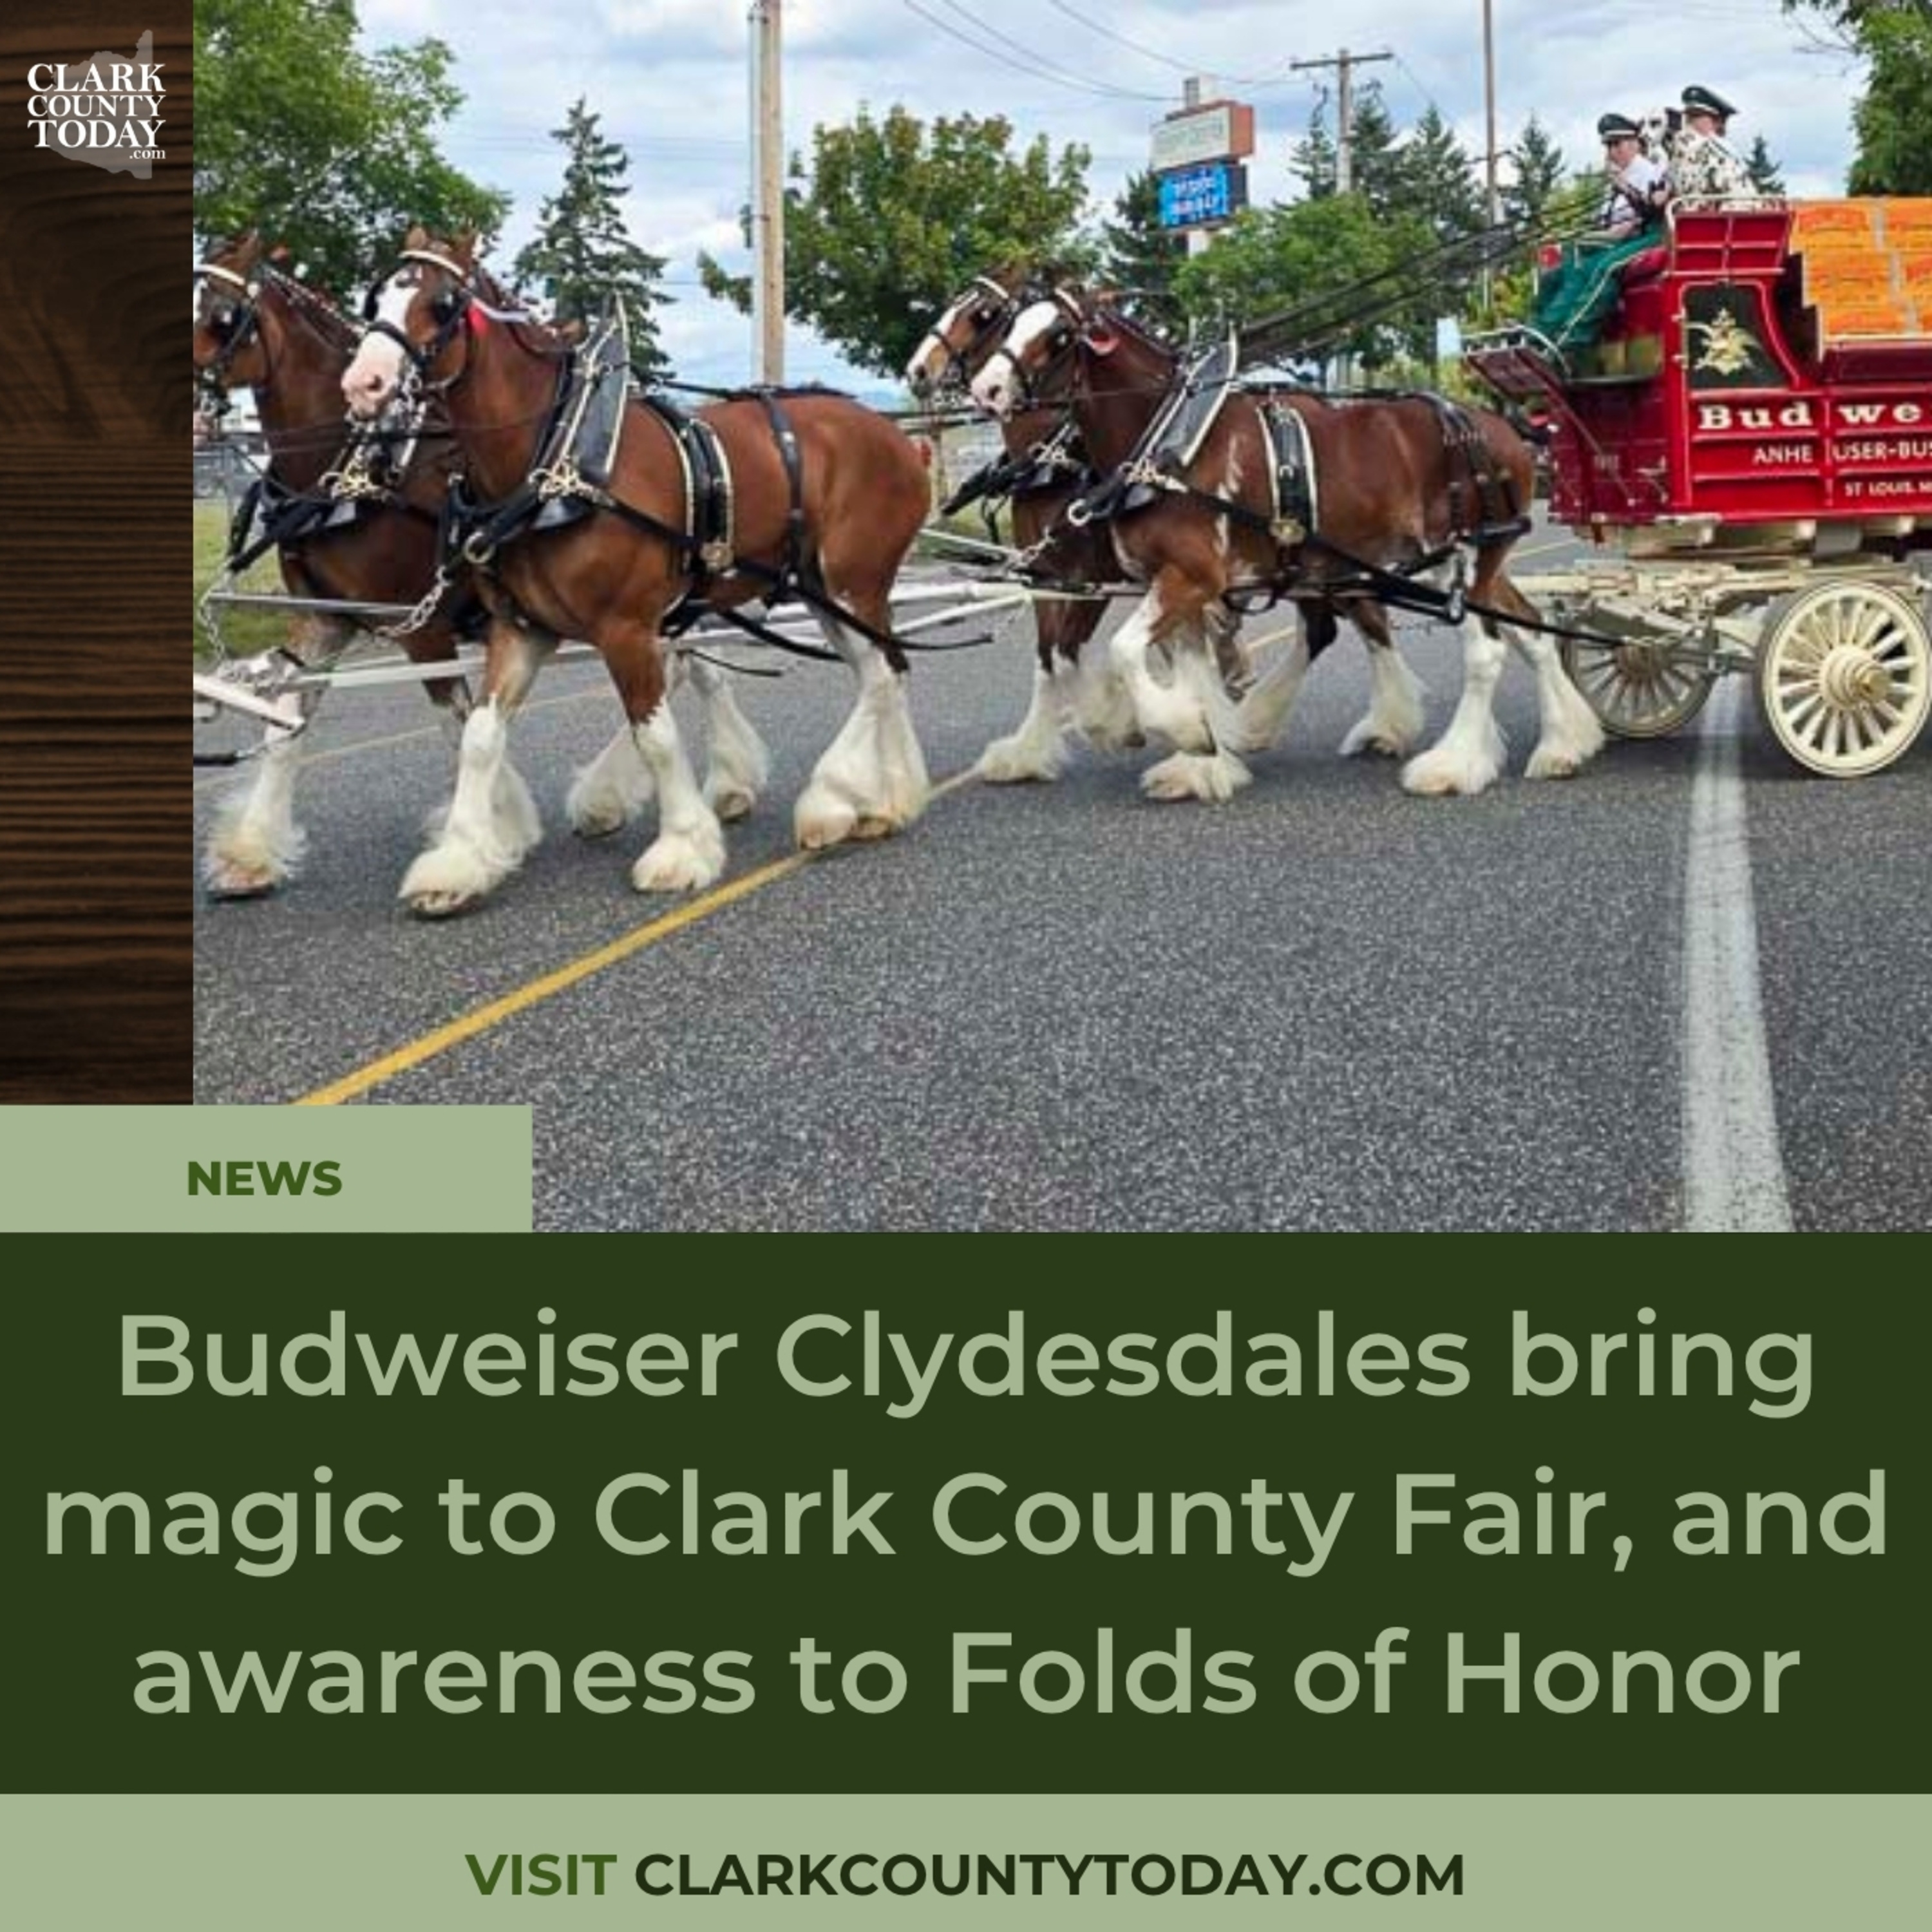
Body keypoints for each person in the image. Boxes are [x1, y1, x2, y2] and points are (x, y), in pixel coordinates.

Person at [1525, 112, 1669, 369]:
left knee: (1580, 255)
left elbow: (1637, 222)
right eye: (1608, 145)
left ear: (1636, 143)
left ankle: (1564, 339)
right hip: (1617, 238)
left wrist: (1621, 188)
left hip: (1637, 238)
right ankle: (1535, 329)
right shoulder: (1617, 179)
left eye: (1618, 144)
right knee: (1553, 275)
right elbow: (1604, 221)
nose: (1612, 152)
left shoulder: (1645, 172)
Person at [1669, 86, 1757, 201]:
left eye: (1697, 116)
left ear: (1718, 122)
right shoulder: (1684, 147)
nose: (1690, 122)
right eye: (1689, 116)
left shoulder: (1722, 154)